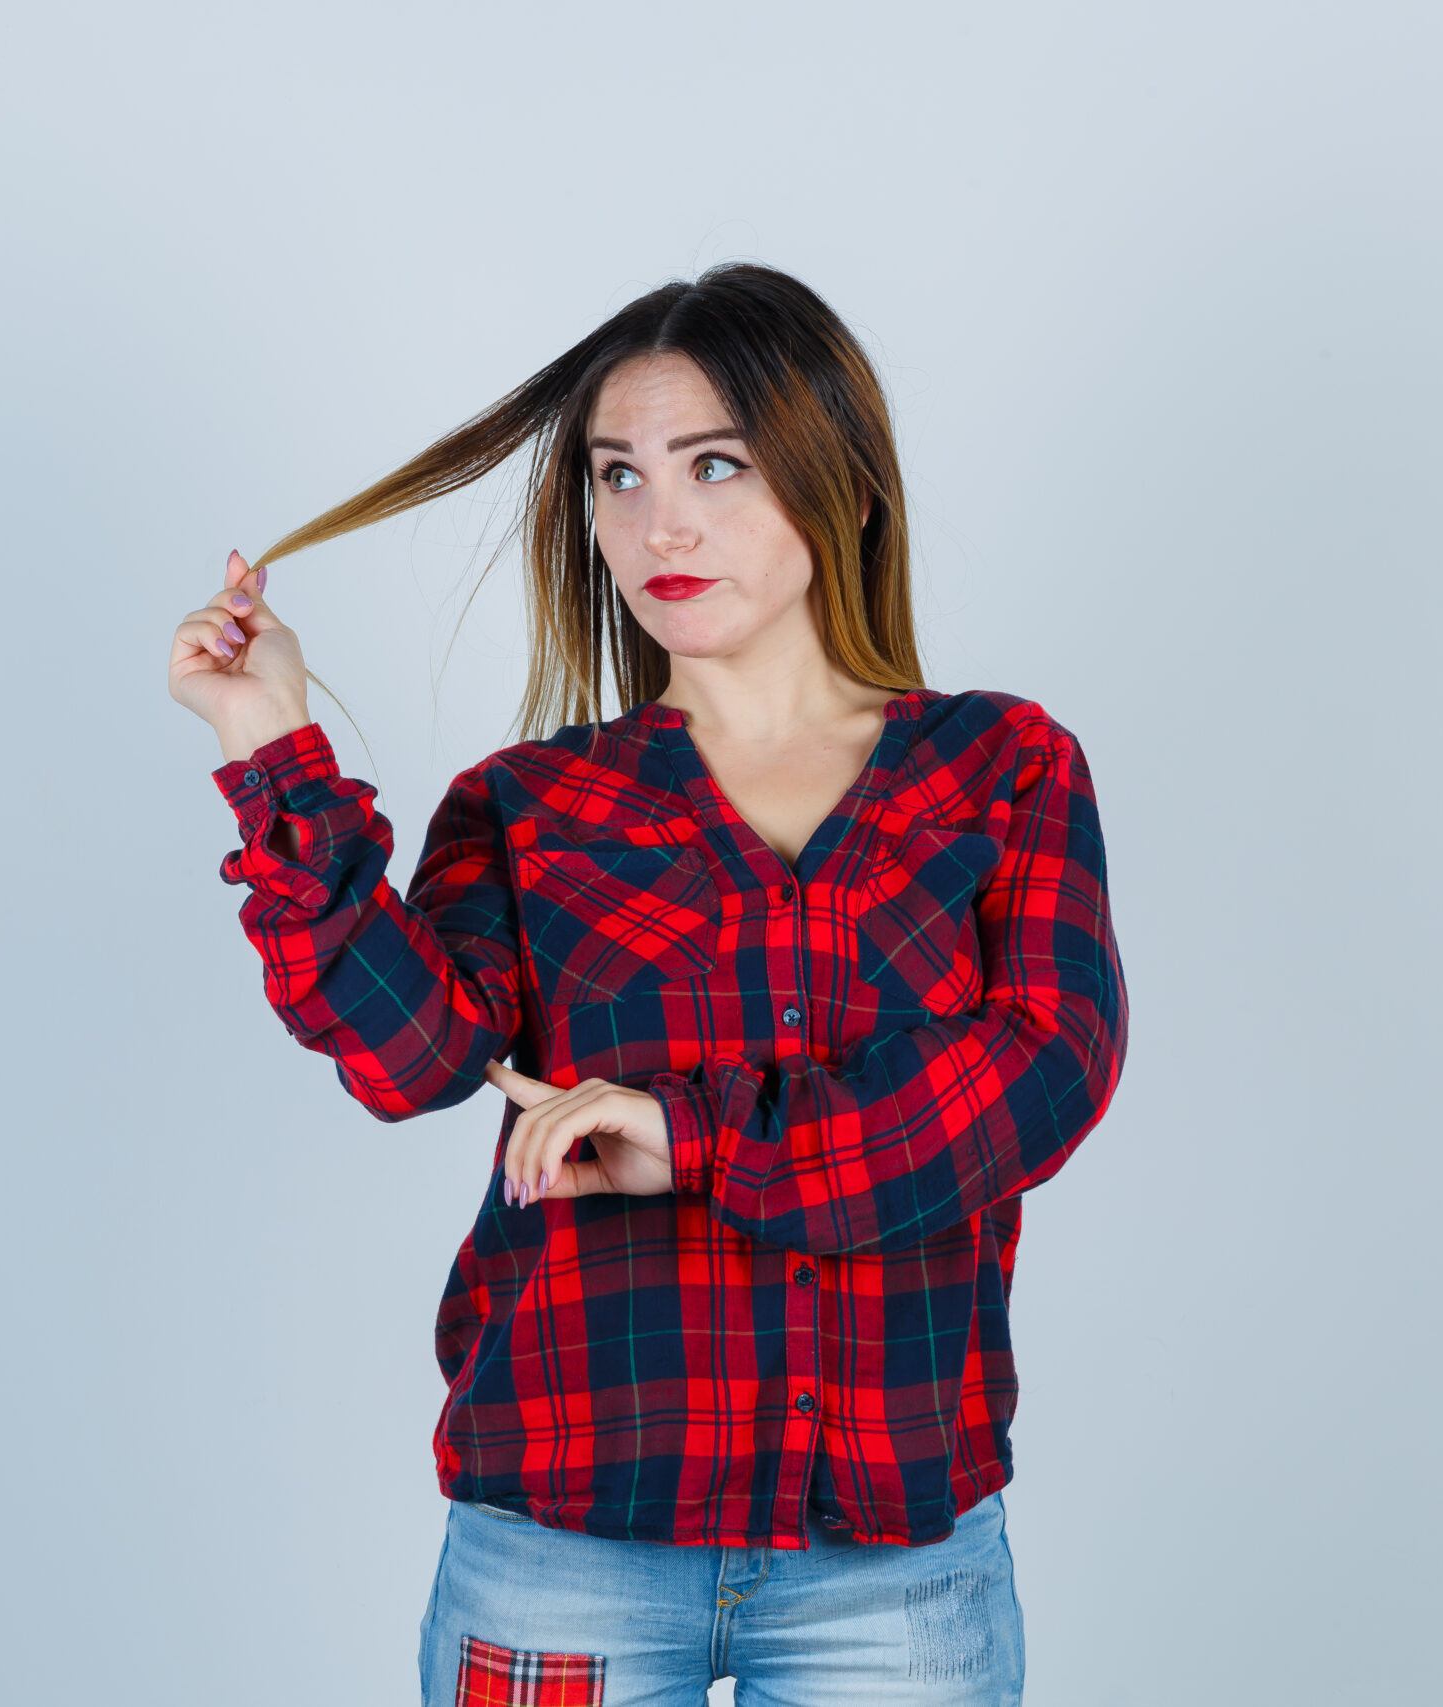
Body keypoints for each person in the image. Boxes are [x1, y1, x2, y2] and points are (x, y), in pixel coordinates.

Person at [165, 263, 1127, 1707]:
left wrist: (696, 1137)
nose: (657, 521)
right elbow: (412, 1057)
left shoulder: (1003, 770)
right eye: (619, 476)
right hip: (565, 1548)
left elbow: (1040, 1074)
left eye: (716, 465)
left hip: (894, 1563)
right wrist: (268, 744)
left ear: (847, 486)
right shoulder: (530, 807)